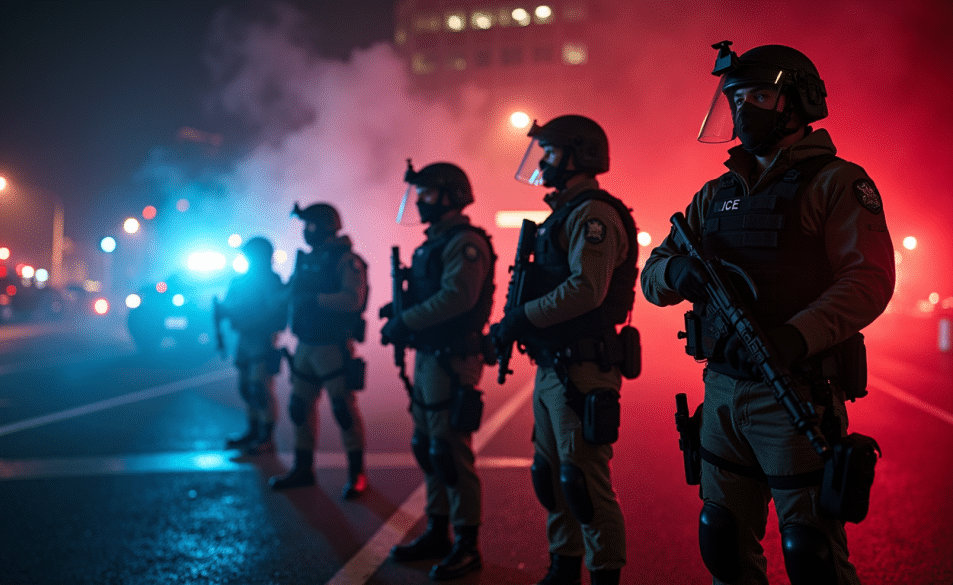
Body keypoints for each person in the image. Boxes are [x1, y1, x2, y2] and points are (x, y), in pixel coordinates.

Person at [640, 41, 895, 585]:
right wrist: (675, 272)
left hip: (794, 390)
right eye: (735, 99)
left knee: (811, 552)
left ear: (796, 102)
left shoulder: (835, 182)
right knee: (723, 541)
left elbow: (869, 281)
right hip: (722, 390)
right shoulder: (715, 193)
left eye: (758, 96)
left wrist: (795, 335)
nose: (743, 109)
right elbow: (652, 274)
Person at [490, 115, 639, 585]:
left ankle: (604, 573)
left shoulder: (593, 214)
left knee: (584, 484)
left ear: (579, 155)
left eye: (551, 153)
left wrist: (522, 317)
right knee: (552, 477)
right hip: (555, 364)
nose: (544, 163)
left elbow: (586, 290)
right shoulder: (566, 211)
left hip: (583, 367)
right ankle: (564, 567)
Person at [381, 161, 496, 581]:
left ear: (450, 195)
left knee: (451, 451)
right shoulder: (436, 242)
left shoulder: (465, 242)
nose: (421, 201)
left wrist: (406, 321)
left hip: (453, 358)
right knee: (429, 448)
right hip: (431, 356)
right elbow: (432, 292)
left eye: (428, 193)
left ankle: (467, 543)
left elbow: (457, 297)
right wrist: (400, 310)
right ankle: (438, 531)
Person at [270, 202, 370, 500]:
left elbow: (353, 299)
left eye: (310, 225)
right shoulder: (306, 260)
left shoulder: (346, 260)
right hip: (305, 344)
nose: (306, 231)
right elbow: (288, 294)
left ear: (325, 226)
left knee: (343, 409)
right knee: (299, 408)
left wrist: (316, 300)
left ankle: (357, 473)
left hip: (332, 346)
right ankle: (303, 468)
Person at [217, 236, 289, 455]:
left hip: (262, 339)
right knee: (246, 388)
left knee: (260, 388)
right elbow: (228, 305)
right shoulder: (240, 281)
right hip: (245, 338)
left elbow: (276, 310)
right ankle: (254, 431)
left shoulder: (271, 281)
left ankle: (265, 437)